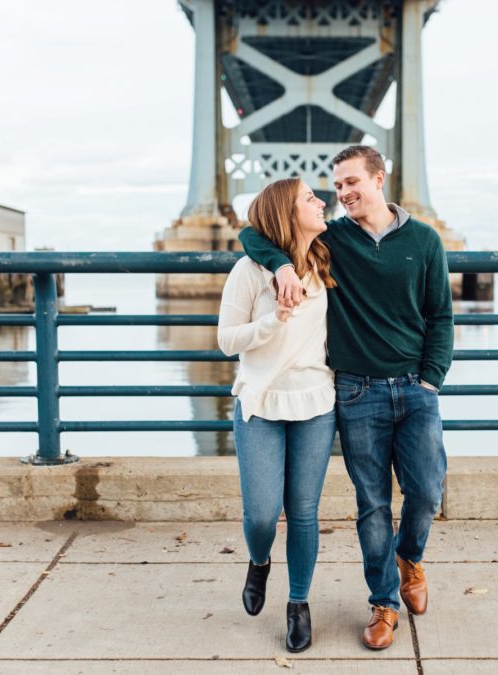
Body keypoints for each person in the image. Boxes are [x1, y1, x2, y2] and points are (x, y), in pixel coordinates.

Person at [238, 145, 453, 650]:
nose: (343, 193)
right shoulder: (331, 240)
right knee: (372, 504)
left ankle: (411, 558)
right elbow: (254, 233)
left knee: (426, 493)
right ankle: (383, 604)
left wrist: (431, 379)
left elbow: (440, 315)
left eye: (352, 182)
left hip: (415, 388)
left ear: (380, 178)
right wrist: (282, 267)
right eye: (336, 187)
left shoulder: (424, 240)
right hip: (356, 391)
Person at [217, 177, 337, 653]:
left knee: (304, 513)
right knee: (263, 514)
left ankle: (298, 604)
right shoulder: (248, 271)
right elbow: (227, 340)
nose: (322, 201)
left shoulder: (330, 257)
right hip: (261, 401)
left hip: (316, 401)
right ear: (287, 214)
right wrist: (274, 319)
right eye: (310, 198)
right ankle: (259, 560)